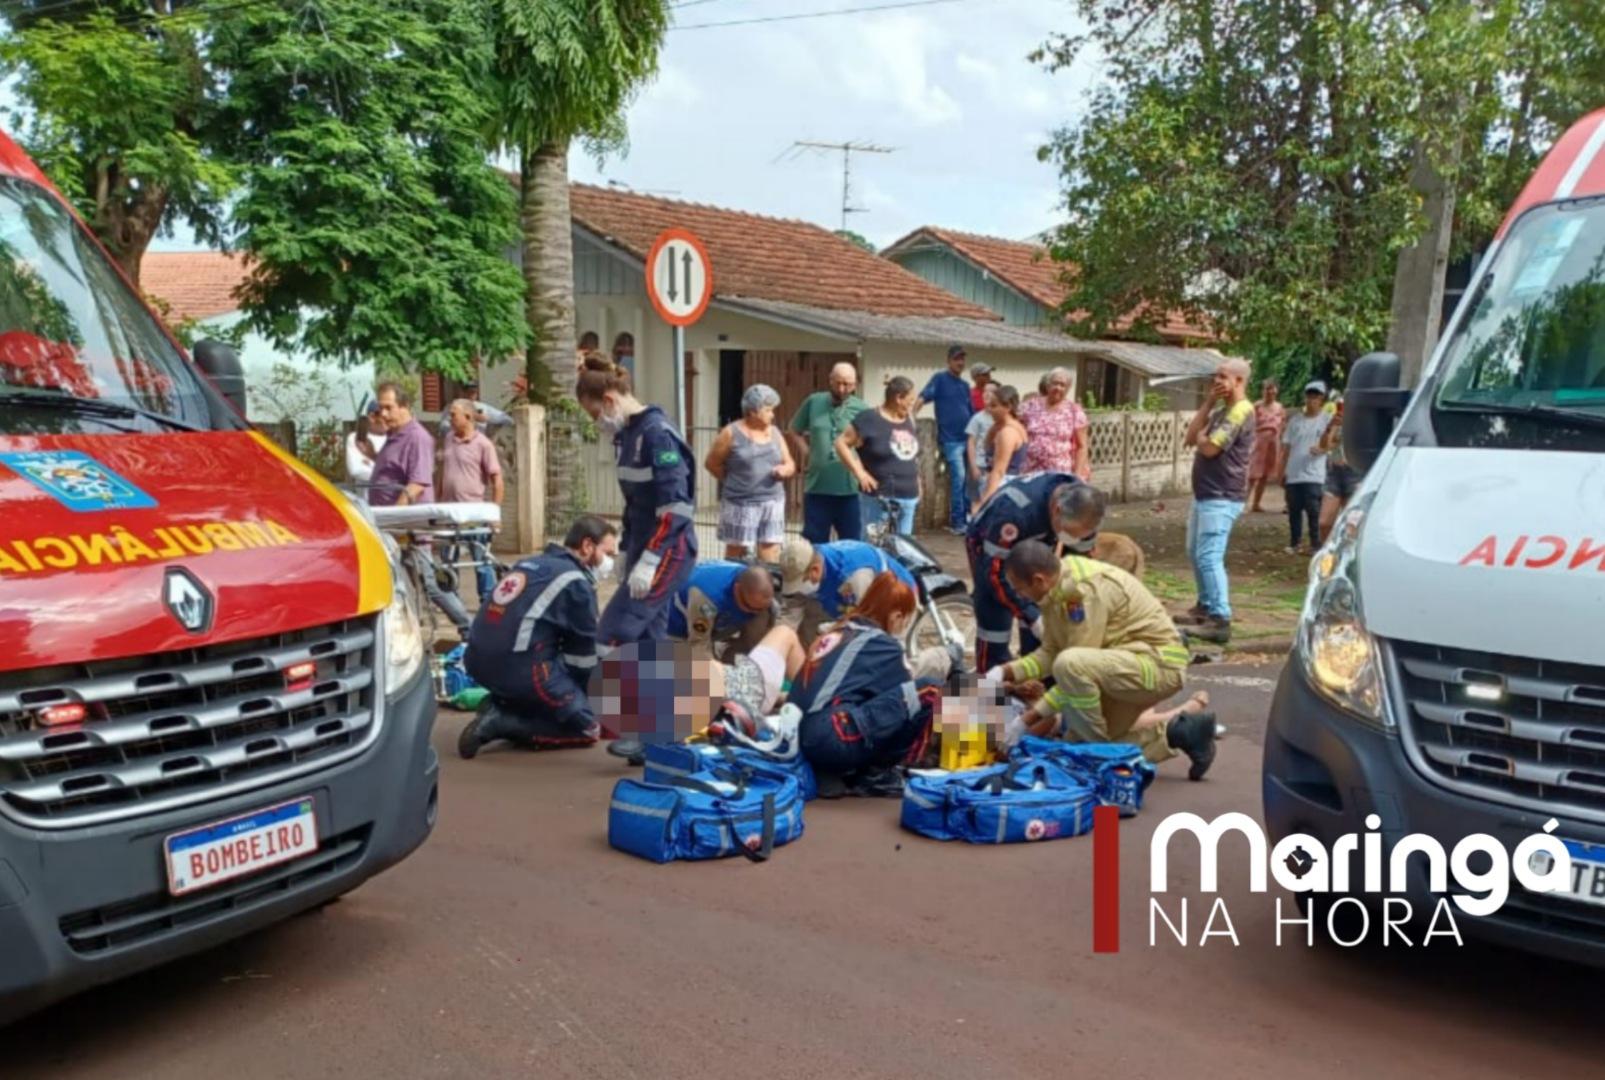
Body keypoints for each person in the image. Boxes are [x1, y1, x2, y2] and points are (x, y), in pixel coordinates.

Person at [990, 540, 1218, 779]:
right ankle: (1183, 732)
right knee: (1086, 743)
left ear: (1039, 580)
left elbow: (1072, 670)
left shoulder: (1083, 592)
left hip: (1157, 666)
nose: (1019, 596)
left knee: (1071, 675)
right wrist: (1003, 672)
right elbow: (1050, 652)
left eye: (1019, 589)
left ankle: (1095, 758)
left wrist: (1025, 720)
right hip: (1124, 665)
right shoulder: (1054, 591)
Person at [576, 354, 698, 759]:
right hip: (646, 546)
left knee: (613, 633)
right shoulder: (627, 436)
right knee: (651, 639)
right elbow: (636, 506)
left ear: (609, 400)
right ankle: (660, 736)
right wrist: (629, 551)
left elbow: (676, 509)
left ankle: (637, 725)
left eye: (595, 413)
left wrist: (649, 559)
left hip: (668, 550)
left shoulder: (657, 435)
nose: (596, 422)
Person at [457, 515, 618, 758]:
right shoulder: (575, 583)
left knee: (555, 674)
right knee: (588, 726)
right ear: (587, 546)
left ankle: (505, 702)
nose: (610, 562)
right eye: (609, 553)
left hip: (476, 661)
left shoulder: (531, 564)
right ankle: (502, 723)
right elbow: (582, 658)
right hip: (518, 668)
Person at [789, 571, 948, 796]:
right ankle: (881, 773)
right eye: (906, 619)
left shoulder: (838, 631)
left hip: (797, 733)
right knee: (930, 689)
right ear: (895, 616)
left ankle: (839, 767)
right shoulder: (883, 644)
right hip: (830, 735)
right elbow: (903, 702)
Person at [966, 476, 1105, 673]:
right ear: (1057, 511)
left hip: (1040, 543)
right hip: (989, 544)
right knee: (995, 619)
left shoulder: (1085, 507)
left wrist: (1071, 608)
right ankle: (991, 683)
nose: (1073, 539)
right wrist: (1033, 616)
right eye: (1070, 533)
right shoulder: (1014, 513)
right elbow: (995, 574)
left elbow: (1080, 565)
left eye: (1079, 536)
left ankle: (1036, 679)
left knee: (1043, 611)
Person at [1179, 357, 1255, 644]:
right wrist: (1208, 403)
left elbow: (1210, 448)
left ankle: (1220, 618)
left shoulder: (1241, 411)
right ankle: (1206, 606)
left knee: (1209, 556)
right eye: (1216, 376)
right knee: (1194, 551)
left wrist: (1202, 439)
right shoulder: (1223, 411)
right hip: (1205, 494)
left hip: (1222, 495)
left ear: (1239, 381)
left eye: (1223, 377)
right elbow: (1190, 436)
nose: (1217, 381)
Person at [705, 383, 794, 562]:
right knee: (736, 551)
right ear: (753, 411)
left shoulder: (775, 432)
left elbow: (790, 462)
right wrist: (735, 480)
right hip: (740, 503)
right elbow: (712, 463)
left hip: (772, 501)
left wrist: (785, 470)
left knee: (771, 550)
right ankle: (733, 586)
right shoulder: (730, 433)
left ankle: (767, 585)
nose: (773, 414)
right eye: (768, 410)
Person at [787, 362, 867, 543]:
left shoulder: (862, 409)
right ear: (830, 381)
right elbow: (794, 429)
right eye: (837, 383)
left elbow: (869, 444)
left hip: (849, 491)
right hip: (817, 488)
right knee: (816, 546)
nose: (841, 388)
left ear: (855, 385)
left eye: (847, 384)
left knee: (851, 544)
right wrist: (806, 451)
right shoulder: (814, 401)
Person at [837, 375, 921, 536]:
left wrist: (918, 481)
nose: (911, 406)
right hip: (878, 499)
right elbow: (841, 443)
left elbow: (912, 456)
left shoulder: (909, 419)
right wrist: (859, 473)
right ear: (898, 398)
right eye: (910, 401)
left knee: (903, 550)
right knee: (873, 548)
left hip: (908, 499)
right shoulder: (869, 419)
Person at [440, 397, 506, 601]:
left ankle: (487, 603)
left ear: (468, 417)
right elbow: (441, 472)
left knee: (481, 562)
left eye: (453, 415)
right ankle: (451, 600)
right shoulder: (449, 438)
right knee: (447, 561)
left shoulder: (483, 445)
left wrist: (495, 514)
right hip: (449, 512)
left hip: (474, 514)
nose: (449, 419)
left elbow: (497, 480)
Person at [778, 537, 916, 623]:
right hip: (849, 605)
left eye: (801, 582)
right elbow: (790, 613)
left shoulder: (855, 577)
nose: (799, 589)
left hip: (897, 604)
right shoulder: (811, 556)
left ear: (815, 570)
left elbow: (865, 623)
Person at [918, 345, 977, 533]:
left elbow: (970, 412)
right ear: (948, 360)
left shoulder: (965, 386)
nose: (960, 362)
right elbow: (922, 397)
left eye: (962, 359)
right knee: (958, 479)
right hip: (951, 440)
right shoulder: (940, 379)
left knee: (971, 481)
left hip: (968, 439)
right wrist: (910, 417)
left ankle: (970, 519)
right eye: (956, 359)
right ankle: (958, 522)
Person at [668, 561, 777, 655]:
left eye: (761, 608)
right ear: (736, 589)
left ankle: (734, 654)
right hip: (679, 630)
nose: (755, 613)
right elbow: (699, 644)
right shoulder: (707, 599)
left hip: (718, 618)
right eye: (750, 608)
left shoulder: (753, 586)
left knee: (764, 616)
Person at [1278, 380, 1331, 556]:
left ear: (1322, 398)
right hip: (1293, 472)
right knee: (1294, 510)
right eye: (1309, 395)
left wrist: (1323, 449)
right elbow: (1286, 447)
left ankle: (1316, 543)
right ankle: (1295, 542)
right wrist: (1281, 470)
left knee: (1314, 511)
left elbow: (1333, 443)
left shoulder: (1327, 420)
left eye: (1315, 396)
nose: (1311, 399)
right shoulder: (1295, 421)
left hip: (1314, 474)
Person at [369, 381, 435, 506]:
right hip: (387, 519)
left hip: (406, 522)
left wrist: (395, 514)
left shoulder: (417, 437)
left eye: (388, 408)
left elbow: (417, 485)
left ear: (404, 406)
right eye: (381, 408)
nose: (383, 414)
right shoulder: (393, 435)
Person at [1021, 366, 1090, 480]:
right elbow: (1017, 430)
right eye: (1055, 383)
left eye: (1062, 385)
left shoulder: (1074, 411)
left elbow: (1082, 446)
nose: (1058, 388)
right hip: (1030, 470)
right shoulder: (1030, 406)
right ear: (1048, 385)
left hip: (1059, 472)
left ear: (1068, 389)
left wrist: (1076, 477)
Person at [1317, 393, 1357, 544]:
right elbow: (1324, 446)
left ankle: (1346, 557)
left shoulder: (1359, 423)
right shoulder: (1335, 422)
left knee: (1350, 524)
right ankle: (1326, 553)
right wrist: (1329, 428)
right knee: (1324, 523)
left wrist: (1348, 426)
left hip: (1353, 473)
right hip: (1334, 472)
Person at [979, 384, 1028, 504]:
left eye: (994, 406)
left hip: (1002, 487)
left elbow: (999, 470)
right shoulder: (1004, 427)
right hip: (1008, 484)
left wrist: (983, 503)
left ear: (1008, 407)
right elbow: (986, 446)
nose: (989, 410)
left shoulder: (1008, 433)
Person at [1247, 379, 1286, 513]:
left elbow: (1283, 425)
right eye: (1267, 388)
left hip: (1273, 443)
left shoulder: (1280, 407)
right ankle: (1242, 504)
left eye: (1272, 388)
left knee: (1264, 475)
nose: (1270, 391)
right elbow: (1248, 424)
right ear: (1263, 391)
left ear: (1276, 391)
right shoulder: (1256, 406)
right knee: (1252, 475)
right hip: (1258, 442)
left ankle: (1256, 504)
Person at [964, 383, 996, 509]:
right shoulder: (977, 418)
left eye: (991, 391)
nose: (987, 394)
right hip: (979, 464)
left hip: (994, 466)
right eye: (985, 391)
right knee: (976, 499)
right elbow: (971, 442)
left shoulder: (1000, 418)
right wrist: (973, 466)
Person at [345, 403, 386, 485]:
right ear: (372, 417)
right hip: (366, 497)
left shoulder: (395, 438)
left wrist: (370, 464)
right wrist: (390, 475)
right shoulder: (356, 438)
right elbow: (356, 470)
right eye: (384, 415)